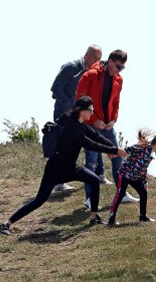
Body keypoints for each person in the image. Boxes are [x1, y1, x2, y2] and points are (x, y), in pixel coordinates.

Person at [0, 96, 127, 235]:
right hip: (56, 169)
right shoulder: (72, 128)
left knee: (94, 180)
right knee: (39, 200)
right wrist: (115, 151)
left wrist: (113, 147)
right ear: (82, 111)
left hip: (70, 167)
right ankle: (6, 224)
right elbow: (91, 144)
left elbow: (96, 136)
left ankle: (94, 217)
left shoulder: (80, 124)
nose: (92, 113)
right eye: (90, 110)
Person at [75, 49, 139, 208]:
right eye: (118, 66)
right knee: (91, 164)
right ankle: (89, 199)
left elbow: (116, 103)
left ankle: (122, 193)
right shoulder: (90, 75)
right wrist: (94, 119)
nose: (119, 70)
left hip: (107, 126)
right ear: (110, 61)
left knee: (118, 157)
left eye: (122, 68)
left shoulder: (118, 79)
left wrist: (113, 119)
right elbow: (79, 100)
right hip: (90, 126)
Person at [50, 44, 102, 194]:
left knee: (88, 142)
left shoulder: (92, 73)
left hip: (80, 116)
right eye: (94, 57)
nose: (96, 61)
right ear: (86, 55)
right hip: (64, 114)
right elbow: (55, 88)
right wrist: (69, 106)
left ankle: (98, 174)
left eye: (99, 59)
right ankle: (57, 183)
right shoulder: (71, 67)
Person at [107, 129, 156, 226]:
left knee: (143, 193)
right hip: (125, 174)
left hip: (135, 178)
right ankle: (111, 220)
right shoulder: (141, 148)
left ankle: (143, 217)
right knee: (119, 195)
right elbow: (128, 150)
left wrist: (144, 182)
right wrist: (115, 152)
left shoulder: (150, 155)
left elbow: (143, 169)